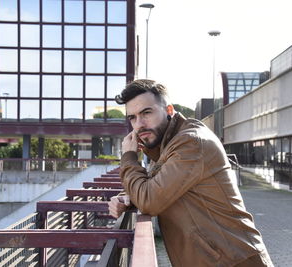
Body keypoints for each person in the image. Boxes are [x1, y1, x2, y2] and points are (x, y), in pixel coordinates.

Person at [108, 79, 273, 267]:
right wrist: (127, 197)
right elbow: (155, 184)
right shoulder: (165, 146)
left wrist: (129, 156)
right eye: (133, 118)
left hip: (232, 261)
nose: (139, 124)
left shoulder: (190, 143)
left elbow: (150, 200)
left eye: (146, 113)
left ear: (169, 111)